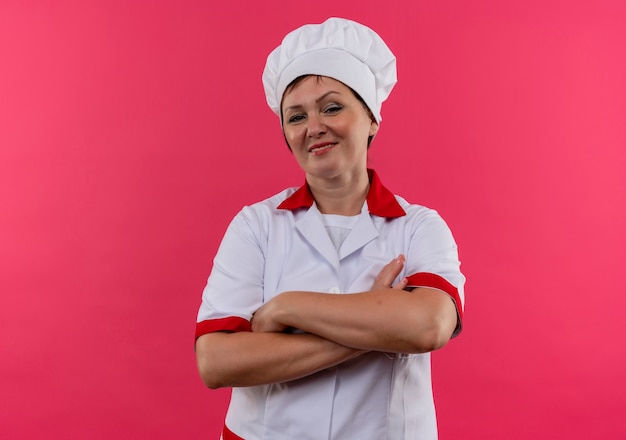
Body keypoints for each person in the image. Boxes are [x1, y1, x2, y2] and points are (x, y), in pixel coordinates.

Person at [195, 17, 465, 440]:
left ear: (372, 118)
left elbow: (428, 326)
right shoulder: (255, 226)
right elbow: (216, 361)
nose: (313, 127)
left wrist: (287, 308)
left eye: (332, 107)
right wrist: (380, 326)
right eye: (295, 116)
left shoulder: (419, 228)